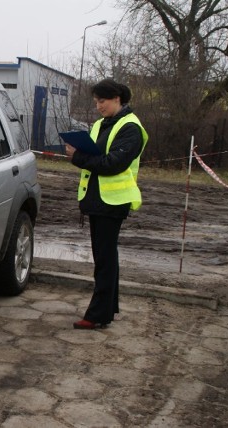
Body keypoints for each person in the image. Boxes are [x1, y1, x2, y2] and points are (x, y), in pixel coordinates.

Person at [65, 79, 149, 330]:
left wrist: (77, 157)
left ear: (117, 99)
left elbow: (113, 164)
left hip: (113, 202)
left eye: (102, 101)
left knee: (105, 258)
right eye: (96, 102)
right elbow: (95, 155)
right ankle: (106, 309)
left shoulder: (130, 128)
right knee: (106, 256)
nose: (98, 106)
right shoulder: (102, 124)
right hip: (97, 200)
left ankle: (97, 314)